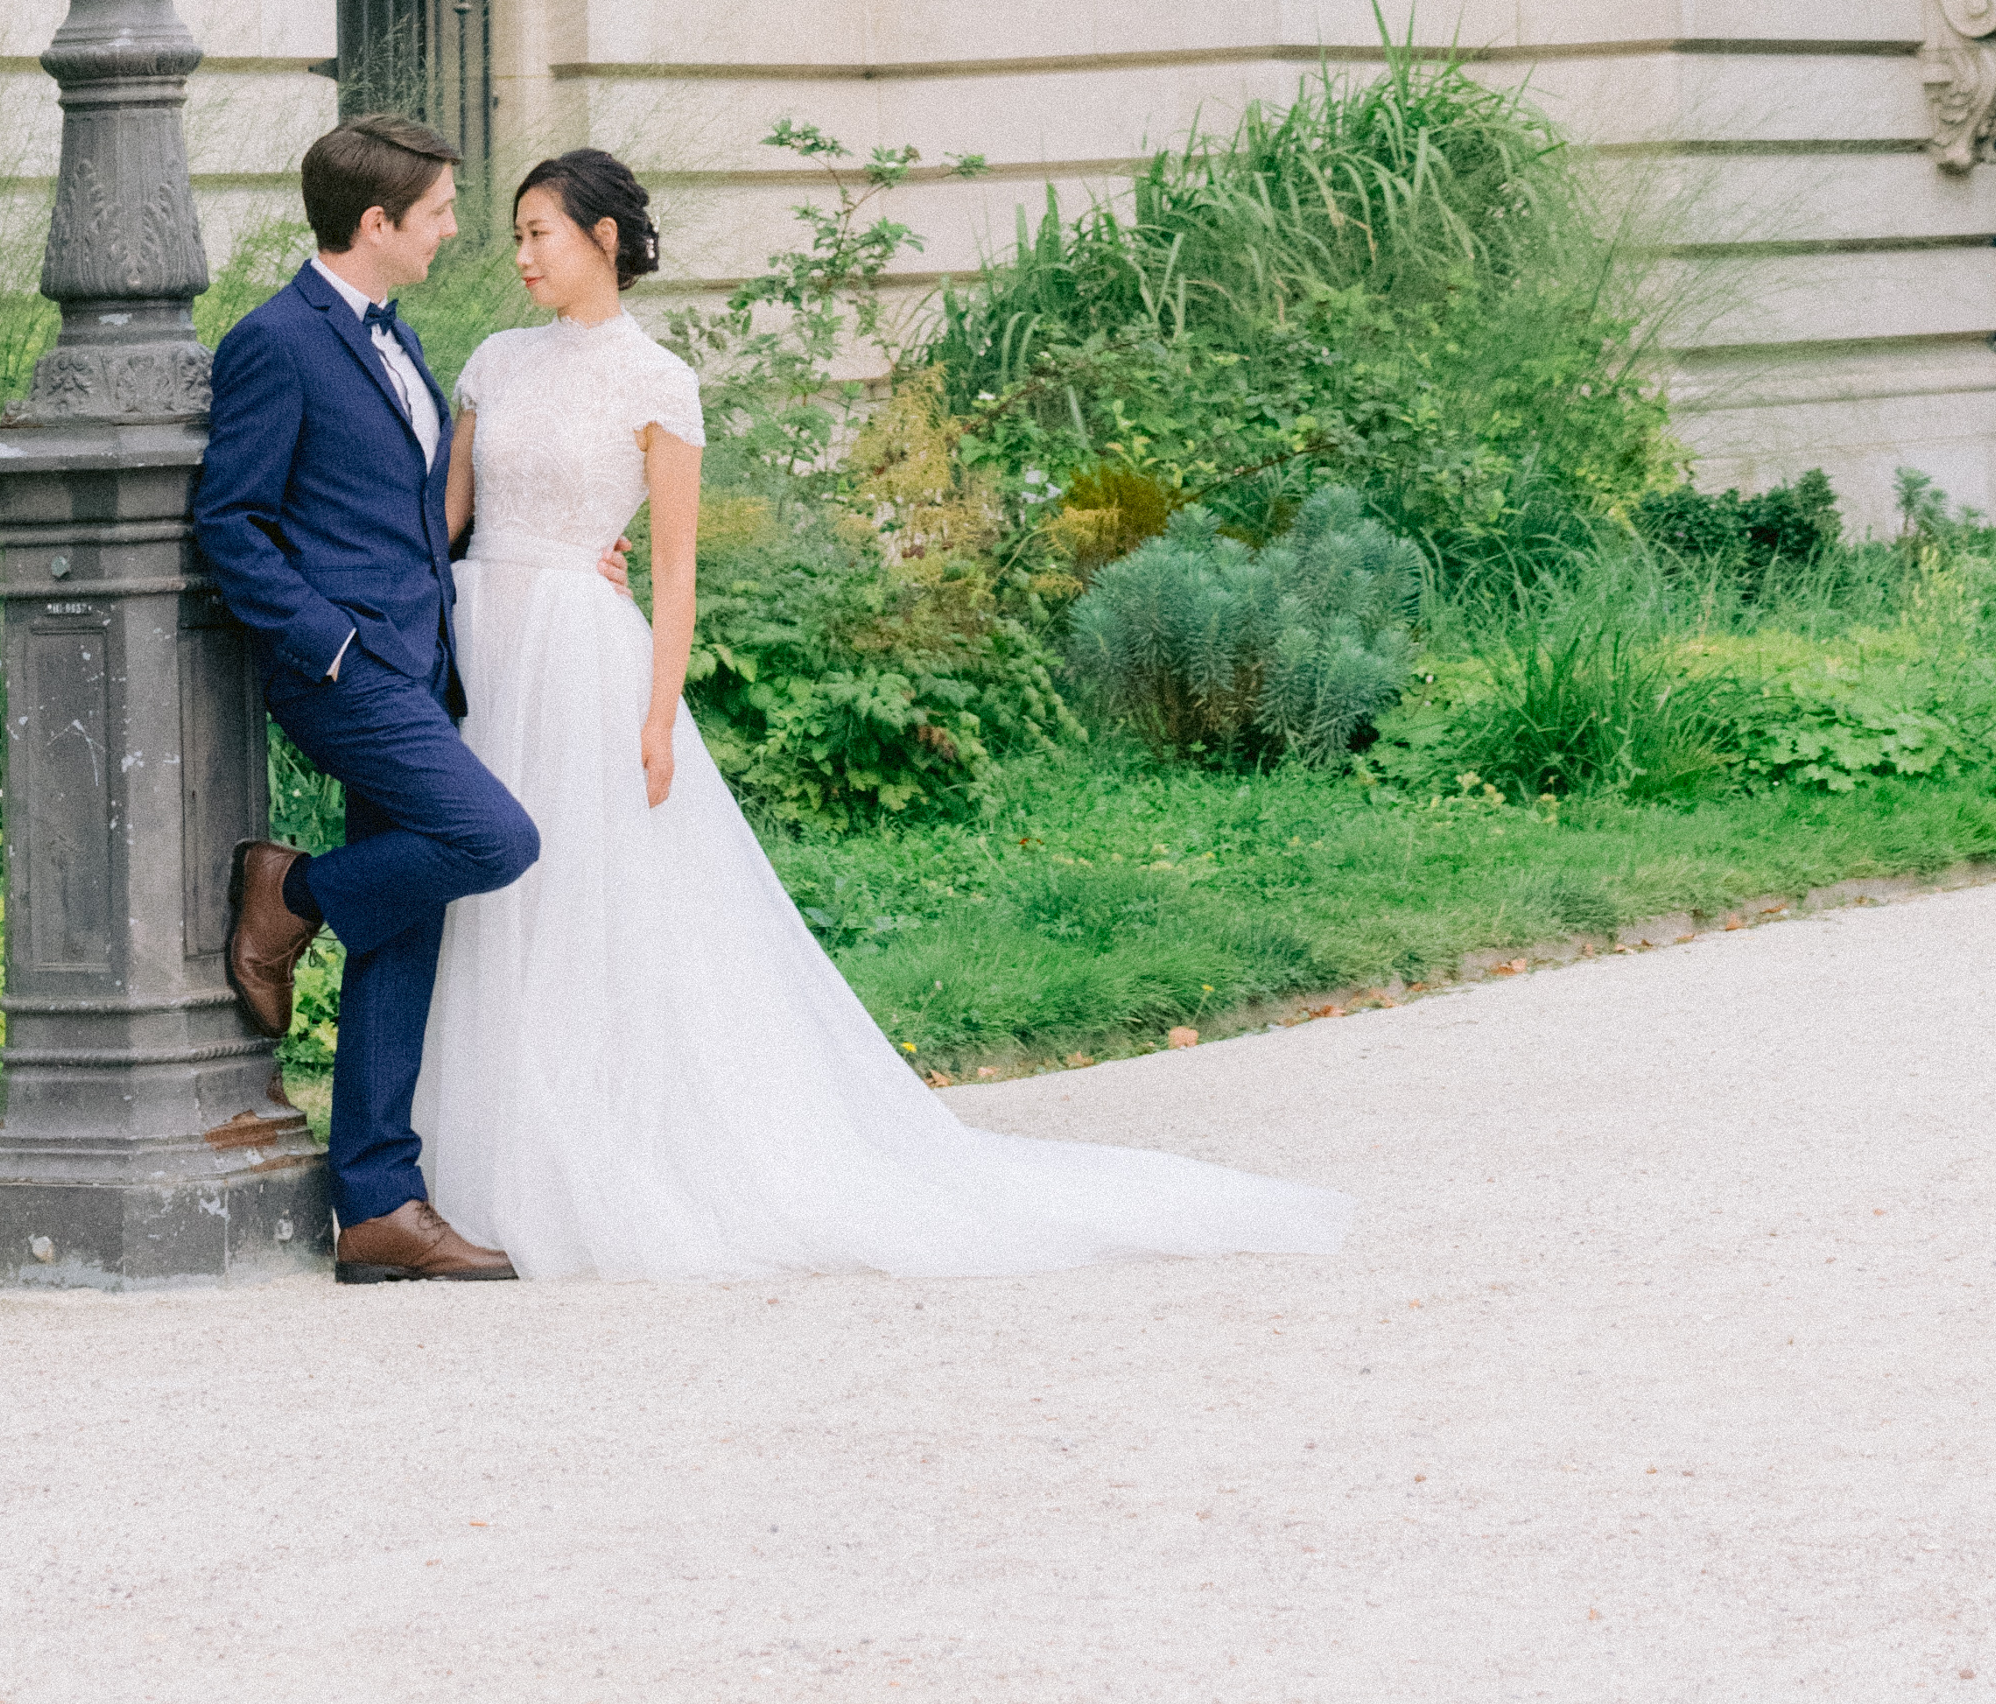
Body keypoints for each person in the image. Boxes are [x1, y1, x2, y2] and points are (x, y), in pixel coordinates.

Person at [403, 144, 1346, 1286]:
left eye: (539, 233)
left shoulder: (658, 382)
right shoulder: (494, 362)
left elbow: (679, 573)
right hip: (481, 641)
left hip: (580, 658)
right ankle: (449, 1167)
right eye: (513, 235)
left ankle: (577, 1158)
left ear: (603, 240)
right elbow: (442, 517)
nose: (520, 256)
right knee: (474, 895)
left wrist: (659, 717)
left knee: (578, 899)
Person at [198, 115, 537, 1284]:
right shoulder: (274, 343)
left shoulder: (399, 337)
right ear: (377, 221)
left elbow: (410, 507)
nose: (454, 227)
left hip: (416, 661)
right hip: (346, 674)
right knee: (492, 837)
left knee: (406, 922)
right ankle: (287, 892)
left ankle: (379, 1204)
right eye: (438, 209)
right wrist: (332, 647)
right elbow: (231, 524)